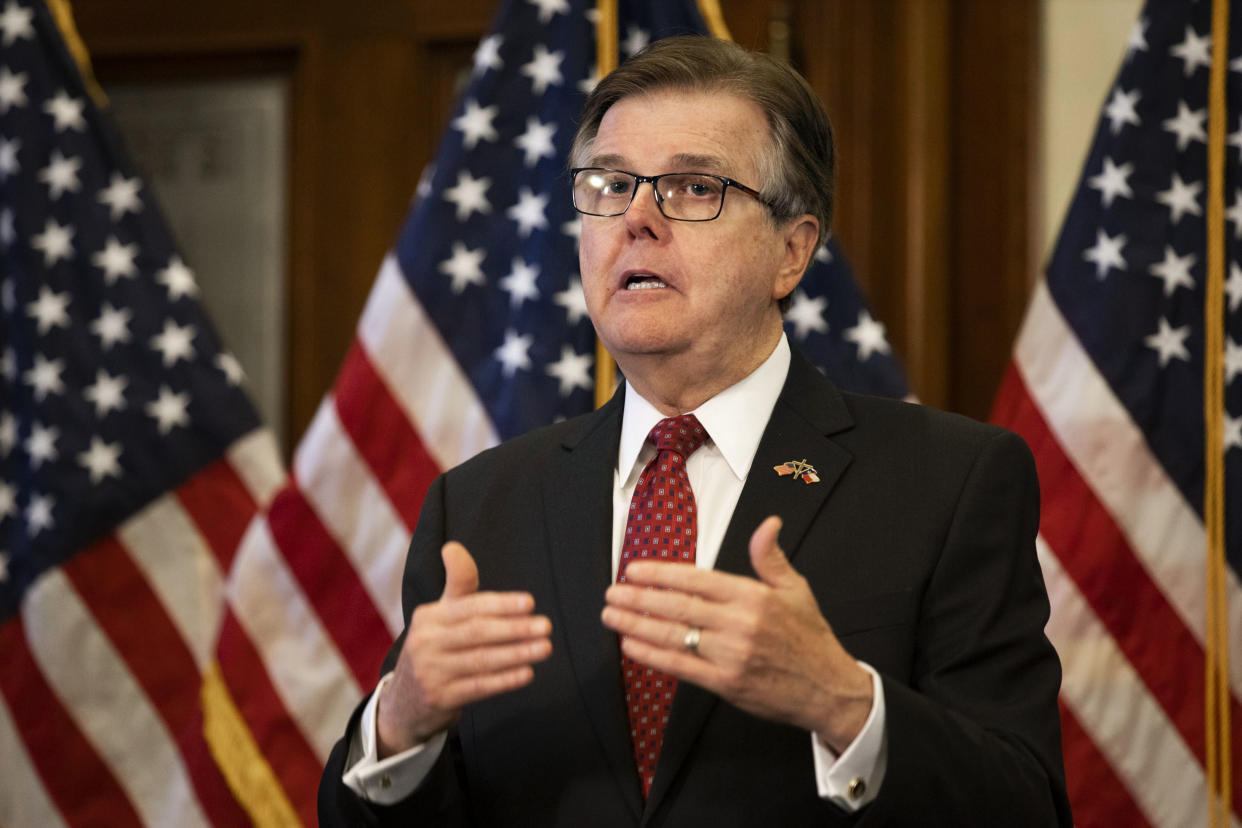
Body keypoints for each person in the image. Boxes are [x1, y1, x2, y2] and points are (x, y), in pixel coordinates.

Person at [319, 35, 1072, 827]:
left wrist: (846, 704)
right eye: (608, 184)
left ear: (792, 250)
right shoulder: (478, 506)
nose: (636, 219)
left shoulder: (949, 482)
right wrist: (398, 728)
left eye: (692, 187)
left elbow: (1026, 808)